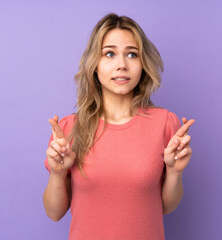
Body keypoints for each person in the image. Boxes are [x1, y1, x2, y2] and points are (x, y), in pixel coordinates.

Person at [42, 13, 195, 240]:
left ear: (142, 64)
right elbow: (54, 213)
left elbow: (166, 206)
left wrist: (174, 172)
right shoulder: (68, 128)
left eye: (132, 54)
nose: (122, 65)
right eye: (109, 54)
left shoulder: (165, 123)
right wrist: (57, 172)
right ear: (94, 64)